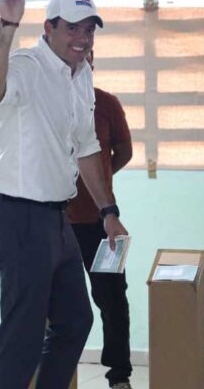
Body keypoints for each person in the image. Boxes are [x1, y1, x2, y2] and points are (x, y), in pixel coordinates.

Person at [0, 0, 129, 389]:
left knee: (75, 320)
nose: (82, 39)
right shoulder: (27, 66)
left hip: (56, 218)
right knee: (24, 333)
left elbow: (87, 148)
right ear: (48, 28)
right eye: (72, 29)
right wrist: (7, 24)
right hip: (18, 215)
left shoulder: (81, 75)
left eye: (89, 31)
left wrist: (108, 213)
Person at [68, 50, 134, 389]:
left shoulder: (107, 103)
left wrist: (101, 181)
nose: (83, 62)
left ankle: (119, 375)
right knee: (58, 301)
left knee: (113, 298)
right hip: (58, 223)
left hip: (103, 222)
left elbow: (124, 151)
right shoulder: (49, 102)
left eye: (88, 57)